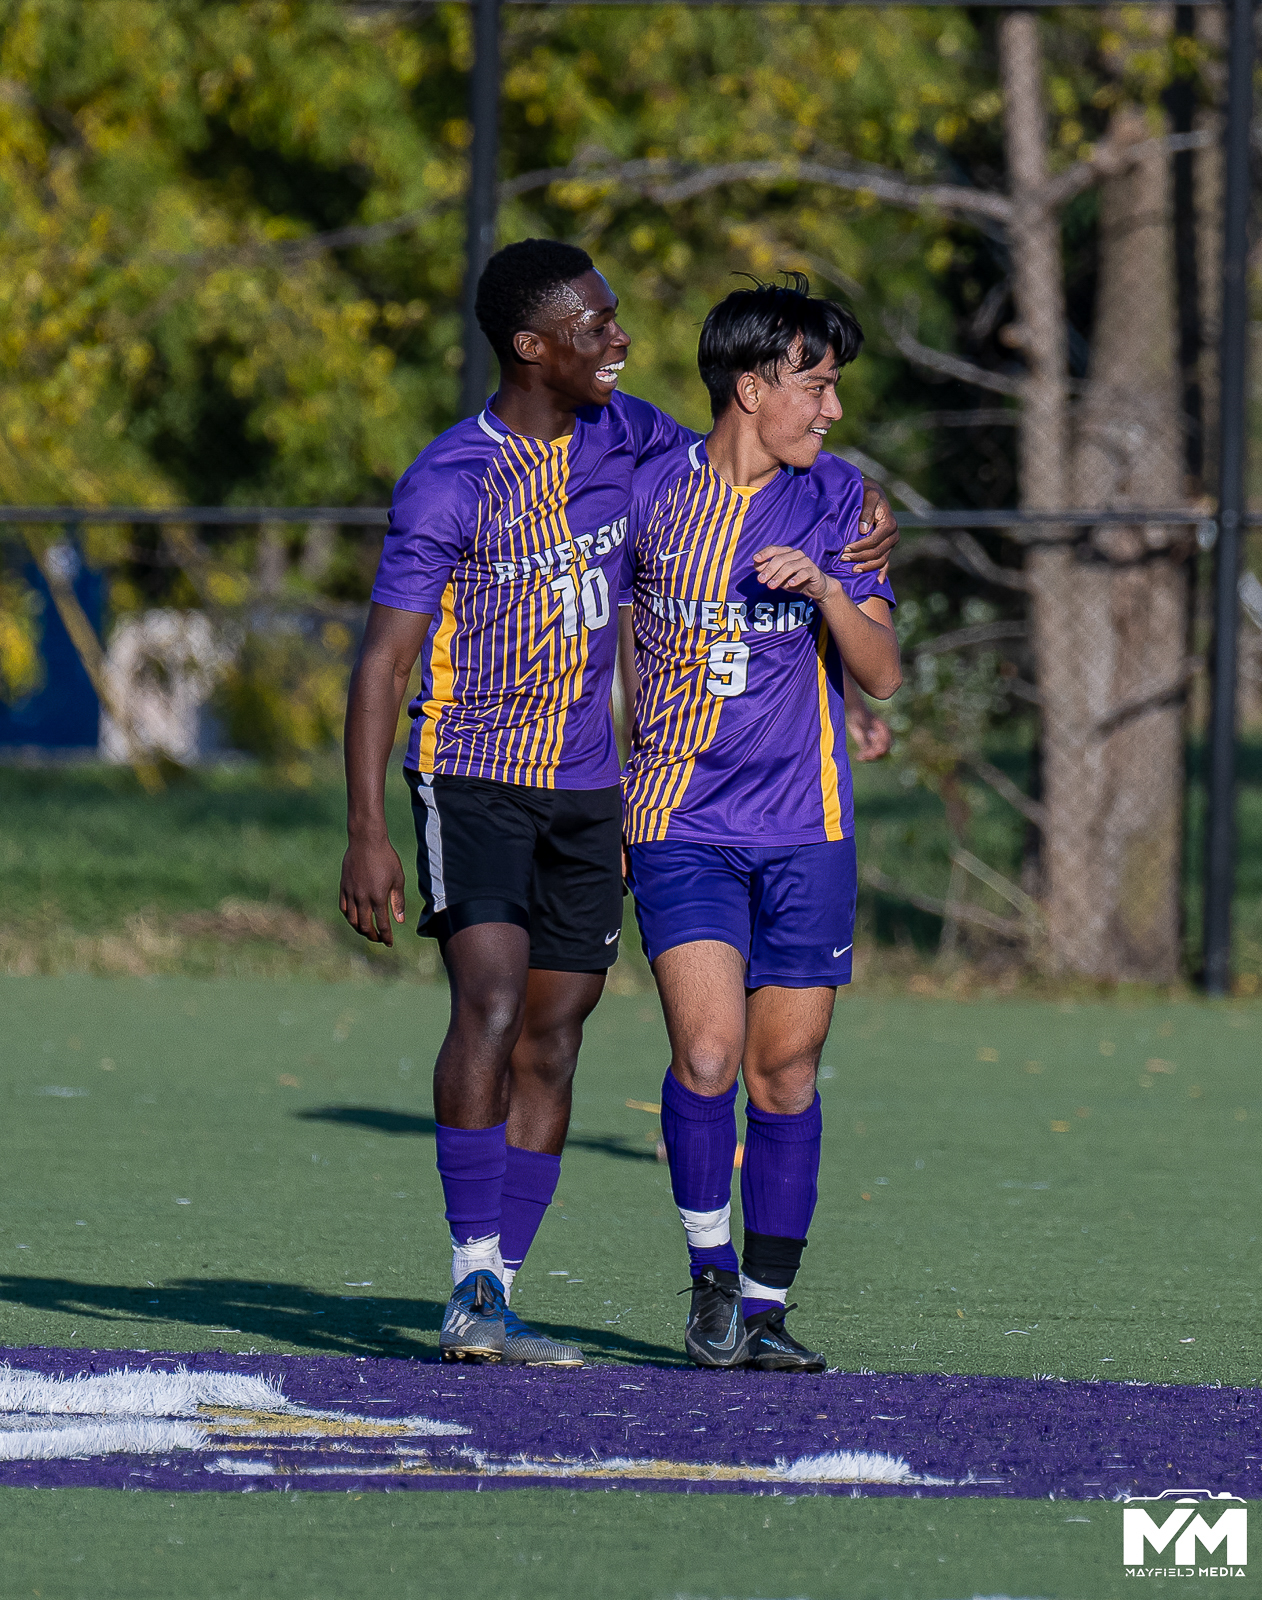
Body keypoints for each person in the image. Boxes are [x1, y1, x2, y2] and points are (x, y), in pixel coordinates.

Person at [340, 239, 899, 1367]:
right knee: (565, 1021)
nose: (617, 336)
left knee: (612, 1041)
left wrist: (843, 582)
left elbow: (857, 633)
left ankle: (690, 1299)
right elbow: (389, 660)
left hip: (669, 805)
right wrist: (364, 829)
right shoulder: (529, 475)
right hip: (566, 793)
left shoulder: (692, 456)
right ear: (530, 345)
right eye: (593, 322)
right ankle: (527, 1281)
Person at [620, 274, 901, 1372]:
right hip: (680, 817)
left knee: (782, 1072)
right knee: (704, 1049)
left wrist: (826, 591)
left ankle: (766, 1303)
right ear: (750, 387)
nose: (829, 409)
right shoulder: (647, 492)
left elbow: (876, 671)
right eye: (814, 385)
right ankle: (705, 1277)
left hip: (804, 830)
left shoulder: (839, 502)